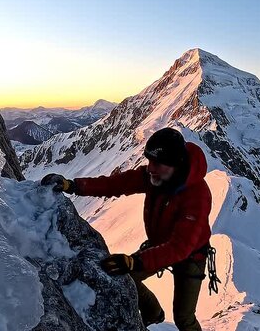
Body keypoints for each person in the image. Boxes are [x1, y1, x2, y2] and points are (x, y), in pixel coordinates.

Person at [41, 127, 212, 331]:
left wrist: (136, 261)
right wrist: (73, 186)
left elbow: (180, 248)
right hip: (160, 244)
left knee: (184, 318)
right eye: (149, 161)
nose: (150, 168)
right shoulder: (154, 178)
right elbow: (115, 184)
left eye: (157, 163)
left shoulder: (197, 195)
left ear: (175, 164)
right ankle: (153, 314)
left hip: (191, 256)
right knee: (126, 277)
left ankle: (156, 315)